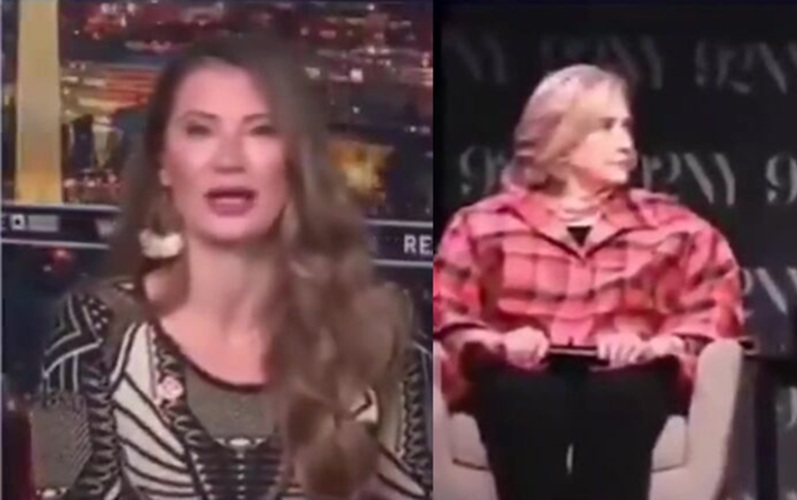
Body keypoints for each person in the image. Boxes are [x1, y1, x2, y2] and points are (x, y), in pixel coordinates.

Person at [30, 32, 430, 500]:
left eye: (261, 130)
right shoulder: (86, 330)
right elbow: (59, 486)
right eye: (200, 130)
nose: (229, 160)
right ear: (163, 162)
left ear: (295, 160)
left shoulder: (384, 334)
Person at [433, 64, 744, 500]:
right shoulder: (482, 225)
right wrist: (496, 342)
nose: (626, 143)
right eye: (606, 127)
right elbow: (443, 311)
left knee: (622, 396)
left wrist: (659, 345)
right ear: (560, 139)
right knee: (523, 397)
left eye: (626, 126)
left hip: (628, 377)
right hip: (521, 376)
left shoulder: (676, 228)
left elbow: (715, 309)